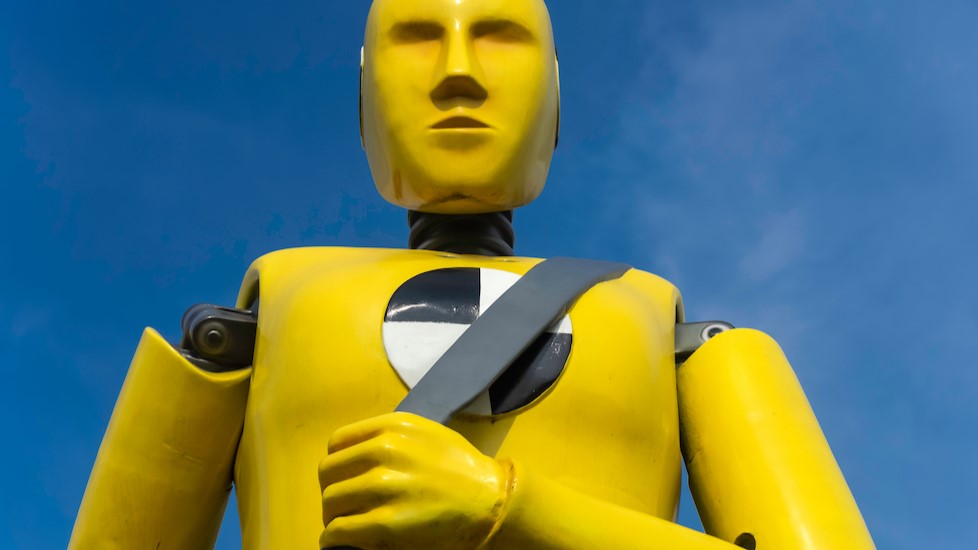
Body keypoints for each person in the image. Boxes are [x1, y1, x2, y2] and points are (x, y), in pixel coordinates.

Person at [71, 1, 875, 548]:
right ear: (367, 92)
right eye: (417, 35)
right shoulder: (273, 302)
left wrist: (508, 506)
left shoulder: (667, 329)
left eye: (500, 35)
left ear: (552, 92)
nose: (458, 71)